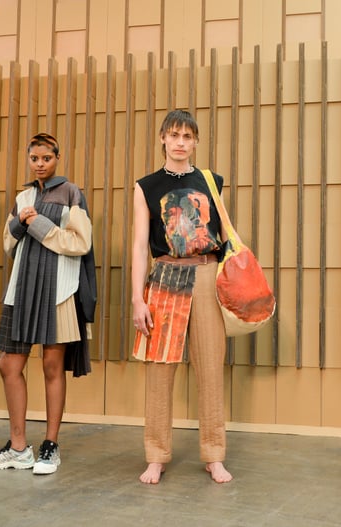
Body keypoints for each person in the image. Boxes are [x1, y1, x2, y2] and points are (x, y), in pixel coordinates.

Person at [0, 133, 96, 475]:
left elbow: (81, 242)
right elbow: (7, 244)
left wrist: (36, 222)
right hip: (23, 288)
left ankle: (50, 446)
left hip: (58, 289)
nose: (40, 163)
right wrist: (18, 221)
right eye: (34, 158)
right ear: (28, 159)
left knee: (51, 366)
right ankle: (18, 447)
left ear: (57, 157)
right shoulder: (23, 195)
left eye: (46, 157)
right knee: (8, 365)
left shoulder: (72, 192)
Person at [131, 109, 232, 484]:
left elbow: (226, 235)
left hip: (206, 273)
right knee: (160, 370)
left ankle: (214, 454)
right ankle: (156, 455)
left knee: (210, 368)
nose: (179, 143)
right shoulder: (146, 185)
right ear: (162, 138)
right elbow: (141, 245)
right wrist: (137, 299)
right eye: (173, 135)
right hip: (166, 275)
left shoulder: (212, 181)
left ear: (196, 142)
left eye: (187, 137)